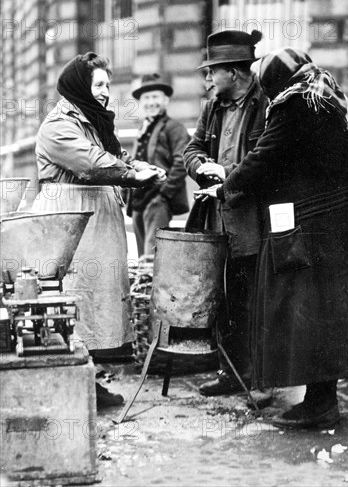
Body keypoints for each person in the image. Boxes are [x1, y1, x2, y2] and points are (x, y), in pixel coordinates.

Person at [197, 48, 348, 427]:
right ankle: (321, 396)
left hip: (313, 225)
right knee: (330, 310)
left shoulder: (294, 104)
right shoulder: (329, 96)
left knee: (308, 311)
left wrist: (223, 188)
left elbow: (265, 156)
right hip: (343, 221)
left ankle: (320, 403)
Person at [33, 52, 165, 408]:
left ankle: (89, 381)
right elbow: (90, 164)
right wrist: (131, 174)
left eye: (109, 84)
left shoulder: (93, 121)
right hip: (71, 225)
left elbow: (116, 159)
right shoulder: (59, 124)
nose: (107, 92)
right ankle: (71, 385)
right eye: (100, 85)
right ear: (81, 87)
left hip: (95, 225)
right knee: (75, 300)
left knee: (97, 301)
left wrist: (141, 169)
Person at [184, 30, 269, 396]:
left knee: (256, 300)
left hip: (254, 222)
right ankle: (230, 373)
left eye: (212, 72)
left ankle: (261, 377)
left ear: (233, 72)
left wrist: (229, 177)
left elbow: (267, 162)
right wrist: (201, 166)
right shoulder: (213, 107)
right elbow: (191, 148)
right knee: (225, 299)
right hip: (217, 221)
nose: (207, 80)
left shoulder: (265, 104)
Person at [126, 74, 190, 256]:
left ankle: (151, 285)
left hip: (157, 201)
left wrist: (164, 194)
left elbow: (182, 161)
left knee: (152, 257)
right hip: (138, 202)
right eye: (146, 98)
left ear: (166, 100)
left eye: (155, 97)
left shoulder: (174, 127)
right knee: (141, 257)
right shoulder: (142, 129)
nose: (151, 102)